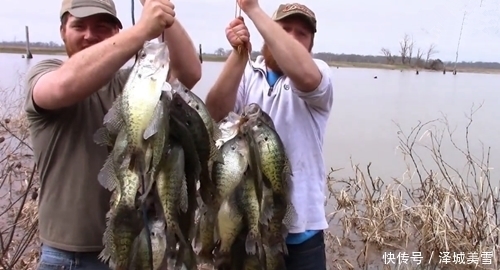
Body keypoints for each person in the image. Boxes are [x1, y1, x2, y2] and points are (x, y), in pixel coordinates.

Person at [24, 0, 201, 269]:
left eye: (102, 27)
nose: (89, 34)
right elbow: (62, 87)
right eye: (79, 26)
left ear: (117, 32)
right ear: (62, 31)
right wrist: (142, 30)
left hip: (136, 248)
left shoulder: (134, 83)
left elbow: (189, 71)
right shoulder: (45, 73)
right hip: (68, 258)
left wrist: (161, 12)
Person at [205, 1, 333, 269]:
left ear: (311, 44)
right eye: (284, 29)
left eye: (302, 34)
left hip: (302, 233)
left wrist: (253, 10)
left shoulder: (318, 74)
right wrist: (240, 55)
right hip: (247, 227)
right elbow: (215, 113)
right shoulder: (248, 73)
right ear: (269, 33)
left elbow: (306, 76)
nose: (293, 38)